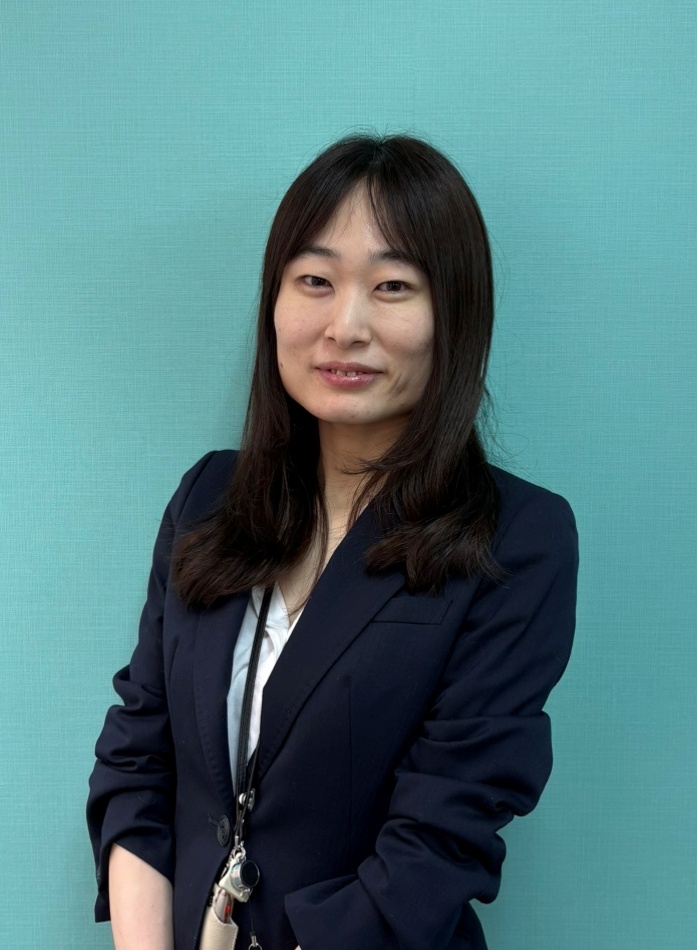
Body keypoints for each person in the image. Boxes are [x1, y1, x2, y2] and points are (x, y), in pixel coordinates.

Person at [87, 134, 578, 950]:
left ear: (452, 314)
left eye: (392, 287)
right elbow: (137, 757)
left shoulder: (514, 539)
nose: (344, 326)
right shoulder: (207, 497)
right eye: (314, 281)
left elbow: (438, 842)